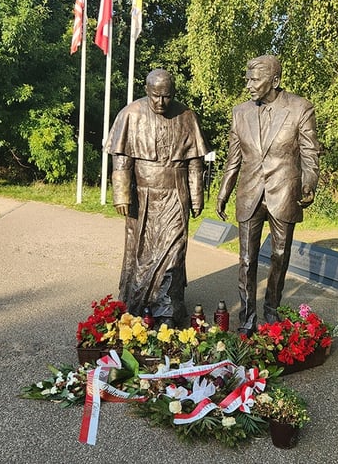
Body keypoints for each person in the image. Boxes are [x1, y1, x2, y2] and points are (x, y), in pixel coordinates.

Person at [216, 55, 321, 337]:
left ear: (275, 80)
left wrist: (309, 184)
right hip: (249, 193)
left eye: (255, 79)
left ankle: (271, 309)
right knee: (247, 260)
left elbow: (310, 152)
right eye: (247, 79)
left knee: (279, 255)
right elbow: (233, 158)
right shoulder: (240, 112)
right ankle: (247, 317)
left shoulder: (300, 108)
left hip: (284, 192)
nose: (249, 85)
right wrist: (224, 190)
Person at [105, 68, 209, 327]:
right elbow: (121, 159)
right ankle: (139, 305)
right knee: (141, 253)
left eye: (167, 96)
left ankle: (168, 310)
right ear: (147, 91)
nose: (161, 102)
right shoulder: (130, 114)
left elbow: (195, 162)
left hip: (176, 193)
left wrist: (197, 197)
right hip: (142, 195)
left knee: (174, 251)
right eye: (155, 96)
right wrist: (121, 194)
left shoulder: (186, 115)